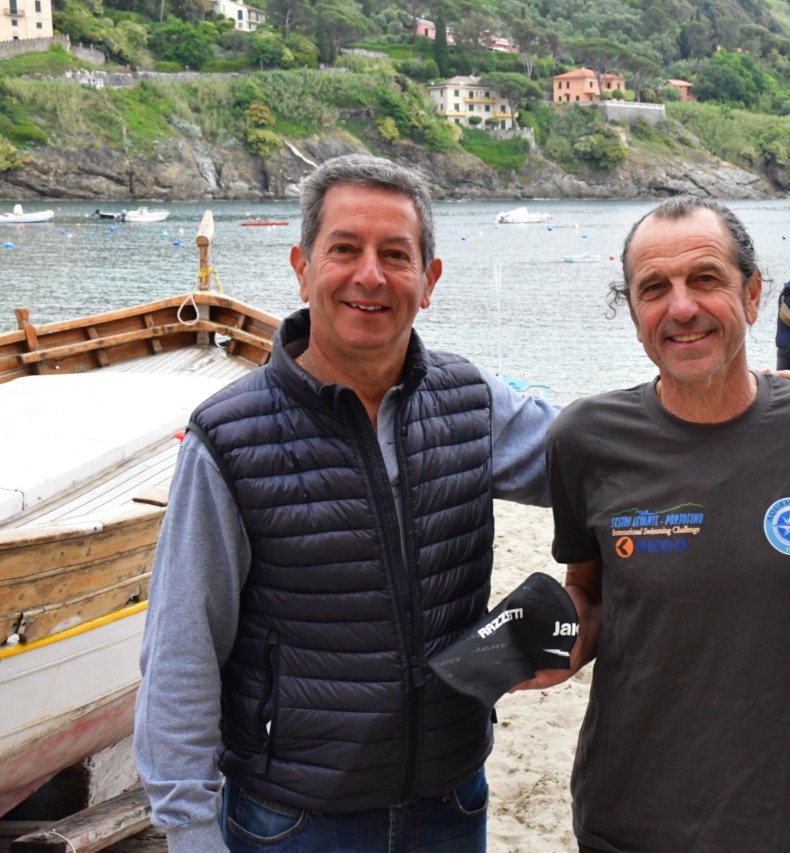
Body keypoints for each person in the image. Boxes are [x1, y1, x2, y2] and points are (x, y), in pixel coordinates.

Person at [134, 154, 558, 853]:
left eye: (395, 254)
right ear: (302, 269)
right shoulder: (229, 437)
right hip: (292, 822)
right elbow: (183, 649)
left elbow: (603, 461)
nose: (370, 275)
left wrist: (732, 404)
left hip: (451, 806)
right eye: (344, 249)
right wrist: (189, 828)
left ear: (429, 279)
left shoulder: (473, 403)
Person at [521, 198, 790, 851]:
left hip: (781, 816)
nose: (681, 307)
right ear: (633, 315)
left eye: (705, 279)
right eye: (654, 288)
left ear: (753, 295)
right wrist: (549, 645)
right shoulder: (585, 437)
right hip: (627, 815)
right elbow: (589, 592)